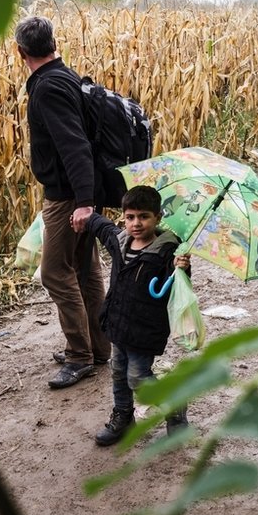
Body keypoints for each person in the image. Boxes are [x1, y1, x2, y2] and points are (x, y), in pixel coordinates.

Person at [15, 16, 112, 389]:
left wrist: (84, 203)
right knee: (85, 272)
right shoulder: (65, 76)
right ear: (53, 43)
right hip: (81, 193)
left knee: (56, 272)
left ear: (21, 51)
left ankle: (79, 356)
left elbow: (75, 146)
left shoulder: (49, 88)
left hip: (69, 197)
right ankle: (99, 348)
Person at [82, 185, 192, 446]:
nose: (136, 223)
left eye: (144, 216)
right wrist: (86, 215)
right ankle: (123, 415)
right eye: (130, 217)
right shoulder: (120, 241)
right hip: (118, 322)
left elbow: (179, 286)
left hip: (146, 328)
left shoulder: (168, 252)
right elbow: (104, 228)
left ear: (158, 217)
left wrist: (181, 268)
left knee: (137, 376)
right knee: (118, 370)